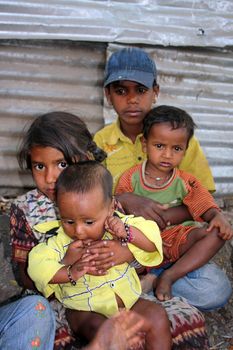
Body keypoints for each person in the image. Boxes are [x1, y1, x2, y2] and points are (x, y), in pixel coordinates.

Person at [10, 110, 210, 350]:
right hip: (74, 300)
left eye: (62, 164)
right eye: (39, 166)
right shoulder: (25, 209)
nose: (51, 177)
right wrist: (67, 268)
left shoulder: (101, 198)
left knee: (170, 317)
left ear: (84, 158)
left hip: (120, 289)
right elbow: (25, 275)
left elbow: (142, 249)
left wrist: (124, 252)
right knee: (85, 331)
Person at [94, 47, 232, 310]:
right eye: (121, 91)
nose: (132, 100)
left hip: (174, 243)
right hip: (128, 242)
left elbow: (202, 197)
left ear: (155, 92)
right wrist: (125, 199)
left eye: (141, 90)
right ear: (108, 95)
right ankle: (142, 284)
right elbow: (94, 199)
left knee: (215, 289)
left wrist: (163, 217)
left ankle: (151, 280)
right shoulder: (101, 143)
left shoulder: (180, 139)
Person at [28, 161, 172, 350]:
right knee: (101, 329)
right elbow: (36, 266)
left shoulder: (119, 226)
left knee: (158, 315)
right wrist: (68, 268)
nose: (78, 230)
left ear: (110, 207)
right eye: (69, 221)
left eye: (88, 221)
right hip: (85, 309)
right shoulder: (60, 242)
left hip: (128, 302)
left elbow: (152, 240)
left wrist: (128, 235)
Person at [115, 105, 233, 301]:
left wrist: (216, 216)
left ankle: (168, 277)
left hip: (176, 240)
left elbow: (203, 203)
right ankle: (147, 277)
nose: (167, 155)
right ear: (145, 144)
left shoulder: (186, 181)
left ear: (185, 150)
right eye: (159, 146)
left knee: (217, 234)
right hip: (140, 244)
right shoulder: (130, 178)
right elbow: (118, 212)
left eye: (176, 148)